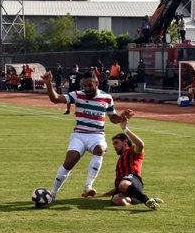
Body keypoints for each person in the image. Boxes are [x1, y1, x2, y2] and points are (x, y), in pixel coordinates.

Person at [41, 70, 134, 201]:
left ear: (97, 83)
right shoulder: (78, 95)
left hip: (97, 135)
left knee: (100, 149)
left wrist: (122, 116)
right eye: (84, 85)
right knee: (69, 163)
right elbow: (55, 99)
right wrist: (49, 84)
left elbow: (113, 118)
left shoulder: (107, 97)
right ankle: (53, 193)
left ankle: (88, 186)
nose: (87, 88)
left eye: (90, 85)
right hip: (79, 135)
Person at [100, 117, 163, 210]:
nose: (114, 146)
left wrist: (125, 129)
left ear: (125, 142)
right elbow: (119, 187)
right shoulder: (120, 160)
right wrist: (103, 194)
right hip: (125, 186)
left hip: (134, 179)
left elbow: (141, 144)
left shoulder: (133, 151)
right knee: (117, 200)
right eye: (113, 144)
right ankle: (148, 200)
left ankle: (146, 200)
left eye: (116, 143)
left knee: (123, 184)